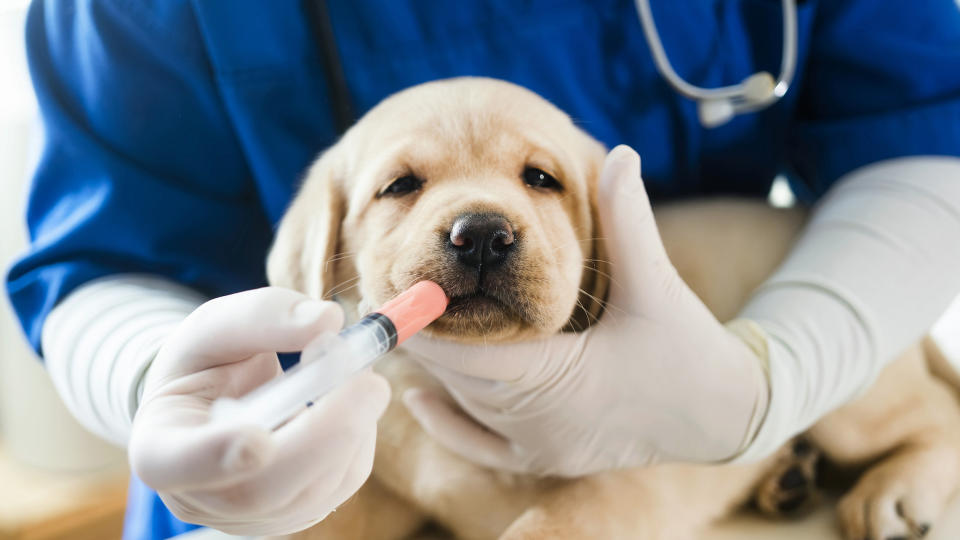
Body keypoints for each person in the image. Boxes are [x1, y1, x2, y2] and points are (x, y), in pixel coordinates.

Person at [6, 0, 960, 538]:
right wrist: (151, 384)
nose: (477, 226)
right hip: (255, 453)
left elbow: (927, 127)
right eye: (406, 185)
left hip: (796, 338)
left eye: (538, 180)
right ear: (322, 237)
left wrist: (768, 378)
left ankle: (928, 438)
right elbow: (96, 250)